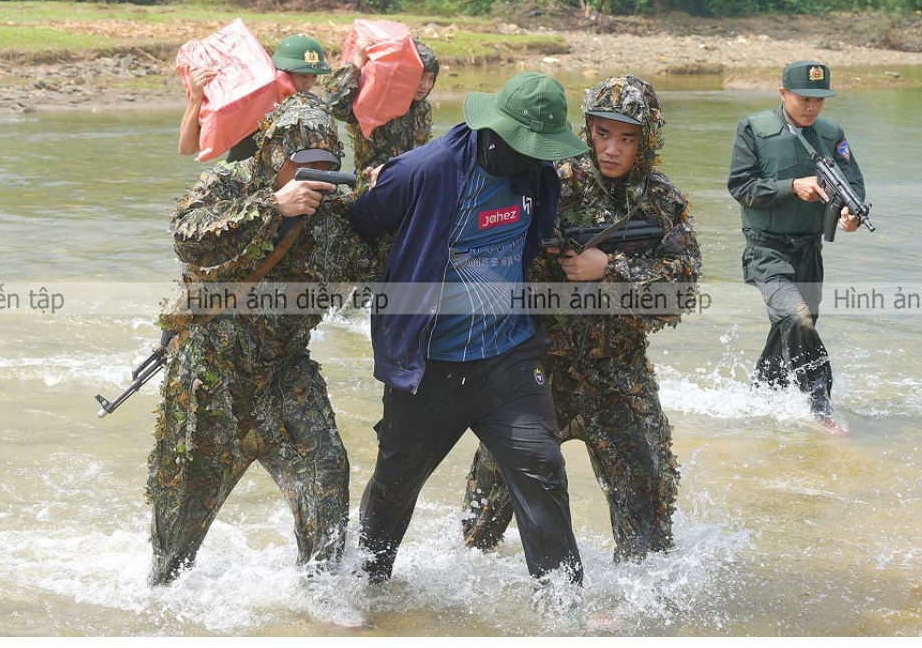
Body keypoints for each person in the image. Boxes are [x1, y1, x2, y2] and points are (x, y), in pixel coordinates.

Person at [348, 72, 590, 609]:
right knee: (395, 484)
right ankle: (366, 591)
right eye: (527, 149)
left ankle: (563, 609)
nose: (537, 160)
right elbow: (361, 224)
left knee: (543, 469)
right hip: (429, 364)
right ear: (494, 133)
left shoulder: (539, 174)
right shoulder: (423, 172)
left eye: (543, 151)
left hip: (508, 357)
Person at [460, 74, 702, 561]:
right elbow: (485, 224)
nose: (612, 149)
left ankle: (637, 623)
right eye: (602, 133)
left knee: (648, 515)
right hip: (537, 371)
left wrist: (609, 268)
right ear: (587, 129)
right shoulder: (550, 180)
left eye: (627, 138)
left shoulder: (660, 199)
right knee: (483, 517)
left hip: (618, 372)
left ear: (647, 140)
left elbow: (684, 284)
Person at [147, 91, 383, 586]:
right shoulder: (231, 185)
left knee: (326, 470)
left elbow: (377, 273)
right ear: (275, 156)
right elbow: (187, 236)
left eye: (326, 163)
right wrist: (272, 207)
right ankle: (164, 603)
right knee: (181, 519)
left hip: (283, 372)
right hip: (208, 378)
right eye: (303, 164)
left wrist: (386, 201)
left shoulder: (334, 216)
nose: (315, 176)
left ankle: (321, 594)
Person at [726, 60, 865, 432]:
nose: (812, 107)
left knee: (791, 330)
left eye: (820, 100)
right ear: (783, 93)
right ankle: (820, 404)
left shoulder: (832, 133)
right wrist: (791, 187)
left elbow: (854, 186)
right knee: (796, 317)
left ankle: (759, 402)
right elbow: (740, 187)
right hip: (766, 249)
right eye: (804, 98)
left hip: (809, 251)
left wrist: (849, 217)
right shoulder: (754, 129)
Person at [177, 34, 332, 162]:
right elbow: (187, 148)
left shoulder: (312, 110)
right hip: (241, 187)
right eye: (303, 76)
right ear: (281, 71)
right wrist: (195, 98)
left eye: (314, 76)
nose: (309, 84)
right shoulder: (249, 102)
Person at [324, 37, 439, 174]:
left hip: (410, 185)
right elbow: (336, 105)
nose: (425, 86)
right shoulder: (377, 101)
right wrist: (357, 61)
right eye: (420, 77)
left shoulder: (422, 107)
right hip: (374, 185)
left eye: (431, 78)